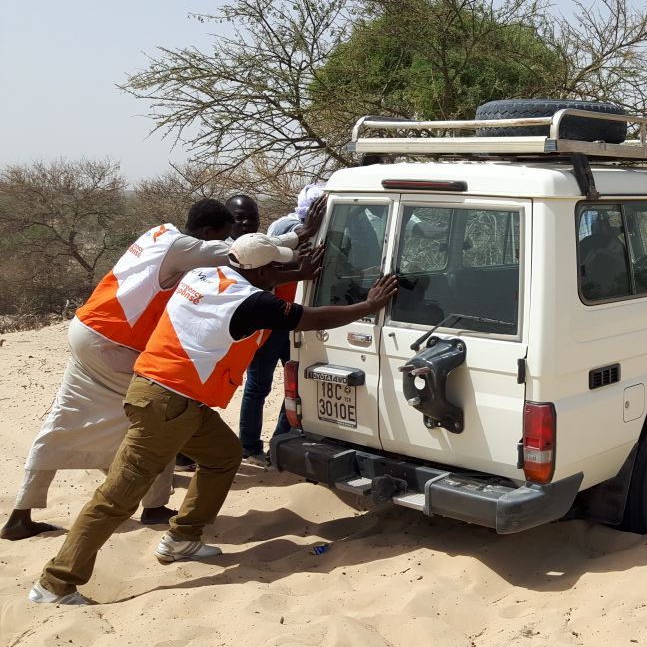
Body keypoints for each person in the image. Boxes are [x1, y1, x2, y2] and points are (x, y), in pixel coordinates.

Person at [28, 232, 400, 605]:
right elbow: (309, 317)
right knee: (117, 499)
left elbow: (257, 280)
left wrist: (292, 274)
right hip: (167, 405)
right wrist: (369, 305)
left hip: (172, 397)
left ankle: (182, 538)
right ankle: (55, 583)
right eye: (278, 267)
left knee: (223, 456)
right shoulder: (250, 303)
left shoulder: (204, 275)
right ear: (262, 272)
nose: (282, 270)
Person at [1, 199, 312, 542]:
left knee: (65, 419)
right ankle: (153, 507)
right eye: (226, 231)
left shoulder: (160, 233)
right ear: (208, 233)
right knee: (161, 413)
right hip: (114, 344)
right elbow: (237, 256)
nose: (233, 235)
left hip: (88, 328)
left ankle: (21, 515)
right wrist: (296, 238)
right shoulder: (185, 249)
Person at [237, 183, 326, 464]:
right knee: (259, 384)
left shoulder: (325, 228)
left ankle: (280, 441)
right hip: (271, 319)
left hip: (295, 319)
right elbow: (269, 267)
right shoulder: (285, 227)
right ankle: (249, 447)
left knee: (295, 383)